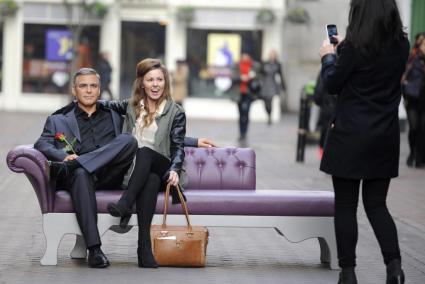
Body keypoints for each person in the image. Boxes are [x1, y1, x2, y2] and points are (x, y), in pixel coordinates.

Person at [35, 67, 215, 269]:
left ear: (99, 89)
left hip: (111, 174)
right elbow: (41, 144)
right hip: (80, 176)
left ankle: (80, 163)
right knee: (80, 173)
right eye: (83, 86)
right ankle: (95, 250)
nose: (88, 90)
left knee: (128, 140)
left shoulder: (113, 114)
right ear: (74, 89)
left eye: (93, 86)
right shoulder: (59, 119)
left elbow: (149, 133)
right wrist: (63, 156)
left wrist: (194, 141)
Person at [318, 0, 409, 283]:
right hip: (384, 136)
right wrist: (346, 47)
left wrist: (328, 56)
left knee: (345, 205)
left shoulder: (355, 47)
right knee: (377, 204)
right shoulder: (401, 45)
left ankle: (348, 273)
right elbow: (373, 63)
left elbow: (333, 83)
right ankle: (394, 267)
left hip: (349, 136)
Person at [104, 58, 208, 268]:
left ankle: (125, 203)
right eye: (150, 79)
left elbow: (177, 145)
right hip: (138, 173)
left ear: (165, 82)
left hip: (168, 172)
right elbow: (101, 104)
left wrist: (175, 169)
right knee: (149, 178)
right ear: (142, 83)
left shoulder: (175, 112)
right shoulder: (131, 107)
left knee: (145, 153)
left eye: (159, 79)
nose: (155, 84)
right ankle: (144, 249)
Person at [402, 33, 425, 168]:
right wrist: (406, 92)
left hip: (424, 100)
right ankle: (412, 153)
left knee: (423, 129)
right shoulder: (412, 59)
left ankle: (419, 158)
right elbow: (403, 78)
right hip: (412, 99)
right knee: (414, 127)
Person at [313, 71, 336, 158]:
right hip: (335, 105)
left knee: (325, 129)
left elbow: (319, 90)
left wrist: (319, 102)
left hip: (327, 105)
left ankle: (323, 153)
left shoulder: (325, 69)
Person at [260, 50, 286, 125]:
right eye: (271, 55)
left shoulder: (278, 64)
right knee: (265, 102)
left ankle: (269, 116)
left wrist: (283, 86)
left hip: (272, 84)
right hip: (265, 84)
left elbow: (281, 75)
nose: (272, 56)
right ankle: (268, 113)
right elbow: (260, 73)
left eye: (273, 55)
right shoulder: (264, 63)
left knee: (270, 101)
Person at [237, 53, 258, 144]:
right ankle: (241, 133)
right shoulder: (237, 66)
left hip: (249, 93)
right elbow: (233, 76)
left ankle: (244, 133)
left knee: (246, 113)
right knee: (241, 114)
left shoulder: (254, 66)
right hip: (239, 93)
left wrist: (251, 77)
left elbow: (259, 77)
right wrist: (241, 78)